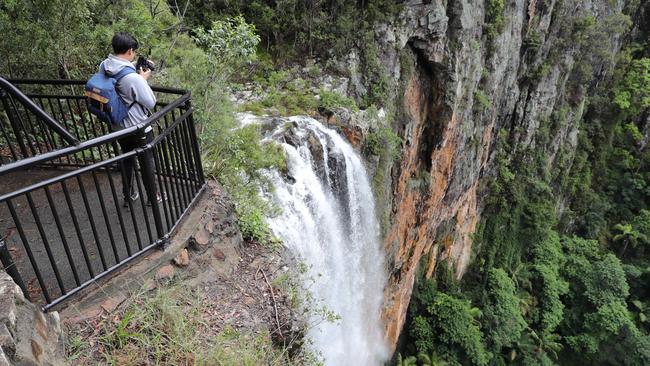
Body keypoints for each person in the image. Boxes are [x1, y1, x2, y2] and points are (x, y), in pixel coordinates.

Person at [98, 32, 162, 206]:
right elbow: (151, 102)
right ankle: (153, 197)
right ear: (130, 50)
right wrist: (143, 79)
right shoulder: (134, 78)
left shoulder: (104, 66)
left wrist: (137, 65)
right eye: (133, 53)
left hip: (117, 126)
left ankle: (128, 195)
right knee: (146, 162)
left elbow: (120, 72)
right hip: (137, 127)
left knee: (127, 159)